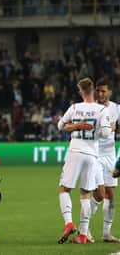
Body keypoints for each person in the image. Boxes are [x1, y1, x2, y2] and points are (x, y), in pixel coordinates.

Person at [57, 77, 111, 244]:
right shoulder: (102, 110)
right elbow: (107, 133)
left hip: (75, 151)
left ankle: (69, 223)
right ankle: (82, 235)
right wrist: (97, 131)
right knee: (85, 194)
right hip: (92, 155)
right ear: (93, 90)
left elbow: (60, 125)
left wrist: (76, 126)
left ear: (81, 91)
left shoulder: (74, 107)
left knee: (64, 189)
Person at [86, 78, 120, 242]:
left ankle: (106, 233)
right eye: (98, 91)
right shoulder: (90, 108)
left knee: (110, 195)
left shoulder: (117, 108)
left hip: (110, 155)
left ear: (110, 92)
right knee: (99, 193)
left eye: (103, 91)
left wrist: (115, 127)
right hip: (95, 153)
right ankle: (84, 229)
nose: (100, 94)